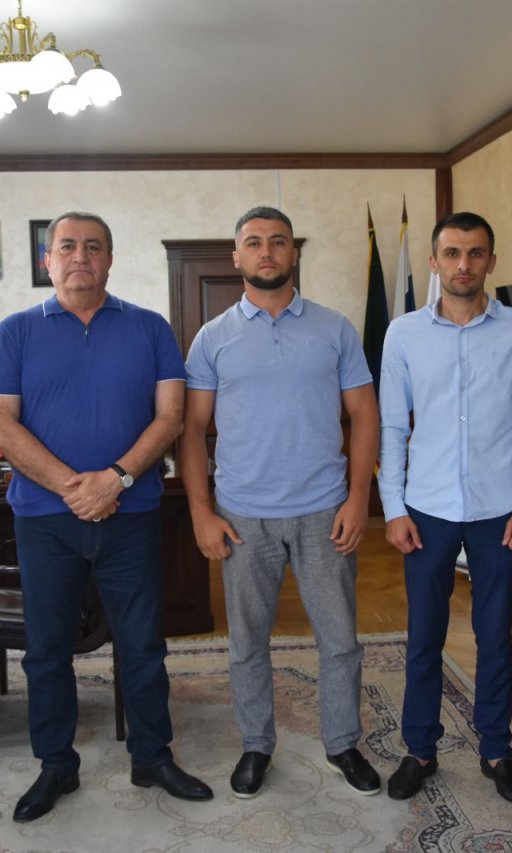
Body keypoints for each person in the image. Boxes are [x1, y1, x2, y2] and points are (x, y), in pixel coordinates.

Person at [0, 211, 212, 823]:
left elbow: (170, 416)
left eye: (93, 246)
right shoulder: (15, 331)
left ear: (110, 259)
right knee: (46, 650)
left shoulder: (150, 327)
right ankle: (56, 764)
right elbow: (0, 423)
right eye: (67, 246)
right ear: (47, 261)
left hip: (130, 516)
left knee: (142, 645)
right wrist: (73, 488)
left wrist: (115, 480)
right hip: (44, 520)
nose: (79, 256)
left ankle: (152, 756)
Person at [178, 205, 381, 799]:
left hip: (325, 511)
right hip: (243, 515)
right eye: (253, 242)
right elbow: (192, 430)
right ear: (236, 256)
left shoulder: (335, 329)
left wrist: (359, 499)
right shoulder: (212, 338)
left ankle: (342, 743)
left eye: (278, 241)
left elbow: (364, 414)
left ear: (294, 252)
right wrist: (201, 512)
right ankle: (256, 744)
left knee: (340, 640)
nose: (266, 251)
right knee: (247, 643)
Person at [378, 212, 512, 804]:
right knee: (423, 637)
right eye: (452, 253)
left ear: (490, 262)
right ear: (433, 262)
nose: (463, 264)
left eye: (475, 253)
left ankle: (497, 750)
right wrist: (393, 508)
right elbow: (393, 427)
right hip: (425, 509)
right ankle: (420, 750)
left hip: (500, 510)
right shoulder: (403, 333)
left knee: (495, 638)